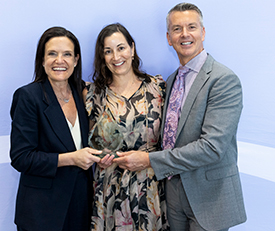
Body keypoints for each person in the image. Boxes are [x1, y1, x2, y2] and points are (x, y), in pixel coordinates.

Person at [114, 3, 247, 231]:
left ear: (203, 33)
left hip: (208, 197)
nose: (184, 34)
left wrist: (149, 161)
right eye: (177, 29)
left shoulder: (223, 80)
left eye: (191, 27)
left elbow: (212, 147)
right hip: (172, 195)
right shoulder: (172, 79)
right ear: (168, 37)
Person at [10, 26, 102, 231]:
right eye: (52, 54)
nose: (60, 60)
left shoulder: (84, 93)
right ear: (42, 60)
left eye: (67, 54)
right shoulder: (28, 97)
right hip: (42, 211)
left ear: (76, 60)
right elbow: (21, 157)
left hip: (81, 205)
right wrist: (71, 158)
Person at [85, 23, 169, 231]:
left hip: (150, 186)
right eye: (108, 51)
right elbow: (85, 141)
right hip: (110, 189)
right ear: (102, 57)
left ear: (132, 48)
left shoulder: (158, 87)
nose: (116, 56)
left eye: (121, 48)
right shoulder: (93, 95)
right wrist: (98, 155)